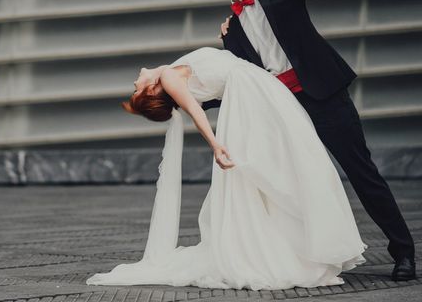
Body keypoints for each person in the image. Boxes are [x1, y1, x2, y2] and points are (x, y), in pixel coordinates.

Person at [209, 0, 415, 281]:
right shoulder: (231, 31)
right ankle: (306, 260)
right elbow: (237, 83)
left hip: (323, 95)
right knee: (294, 186)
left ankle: (404, 252)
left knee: (362, 172)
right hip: (283, 111)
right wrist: (177, 98)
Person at [86, 46, 366, 290]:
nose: (135, 81)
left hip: (255, 90)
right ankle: (293, 247)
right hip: (252, 95)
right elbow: (196, 113)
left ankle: (295, 243)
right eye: (137, 89)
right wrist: (216, 145)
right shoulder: (171, 77)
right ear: (152, 89)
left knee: (284, 165)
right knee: (285, 164)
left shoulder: (172, 71)